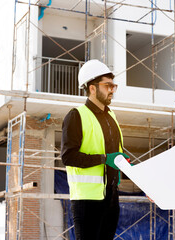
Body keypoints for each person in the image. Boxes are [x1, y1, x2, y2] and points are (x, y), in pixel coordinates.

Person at [61, 59, 130, 240]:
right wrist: (104, 158)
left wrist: (123, 163)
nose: (112, 90)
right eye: (107, 86)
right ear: (92, 88)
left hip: (111, 196)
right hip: (87, 200)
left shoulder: (111, 116)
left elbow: (116, 155)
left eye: (113, 86)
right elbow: (68, 157)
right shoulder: (76, 115)